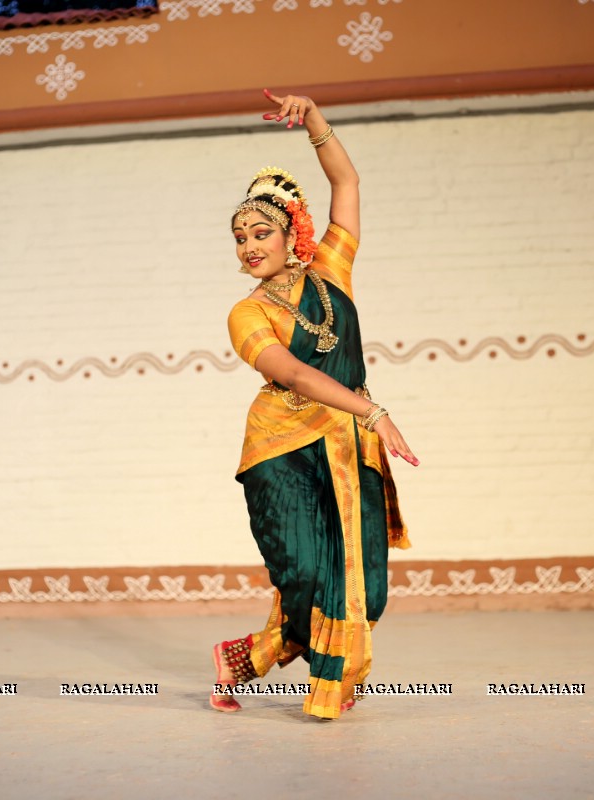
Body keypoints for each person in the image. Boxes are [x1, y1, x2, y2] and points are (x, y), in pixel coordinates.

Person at [212, 89, 419, 720]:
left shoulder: (332, 270)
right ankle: (295, 668)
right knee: (304, 572)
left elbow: (347, 180)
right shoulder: (245, 313)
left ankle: (249, 658)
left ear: (291, 233)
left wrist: (314, 119)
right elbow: (295, 374)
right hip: (282, 449)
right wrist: (373, 411)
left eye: (261, 232)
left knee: (362, 581)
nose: (249, 246)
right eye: (240, 236)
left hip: (347, 447)